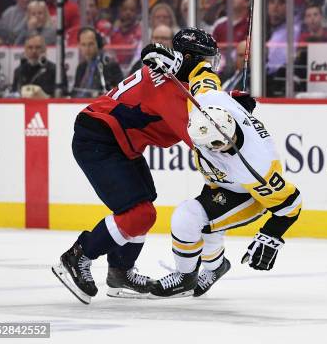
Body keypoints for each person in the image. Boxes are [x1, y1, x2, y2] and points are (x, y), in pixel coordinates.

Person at [52, 27, 254, 304]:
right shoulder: (169, 86)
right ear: (190, 59)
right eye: (205, 63)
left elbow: (198, 97)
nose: (210, 69)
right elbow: (203, 138)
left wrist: (230, 101)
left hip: (117, 141)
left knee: (143, 206)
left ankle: (120, 273)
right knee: (139, 213)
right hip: (99, 138)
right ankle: (77, 257)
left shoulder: (175, 77)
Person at [149, 77, 302, 298]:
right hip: (221, 182)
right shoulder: (207, 99)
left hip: (247, 196)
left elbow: (291, 204)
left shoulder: (255, 166)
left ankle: (185, 277)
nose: (226, 146)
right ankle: (215, 268)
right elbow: (202, 68)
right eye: (218, 144)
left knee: (187, 217)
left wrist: (271, 235)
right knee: (208, 226)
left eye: (224, 141)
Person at [71, 27, 123, 98]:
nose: (87, 49)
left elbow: (121, 92)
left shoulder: (109, 65)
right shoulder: (81, 67)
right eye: (83, 45)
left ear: (98, 44)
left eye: (91, 44)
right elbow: (75, 92)